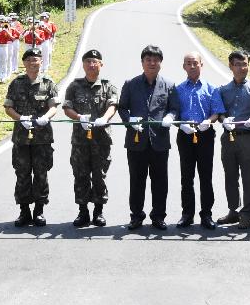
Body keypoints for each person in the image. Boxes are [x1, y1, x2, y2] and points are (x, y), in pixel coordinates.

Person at [118, 45, 180, 230]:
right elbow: (122, 107)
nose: (152, 63)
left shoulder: (169, 85)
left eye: (156, 60)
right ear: (142, 62)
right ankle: (136, 216)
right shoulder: (131, 83)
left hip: (159, 141)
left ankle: (158, 216)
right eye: (148, 60)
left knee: (160, 181)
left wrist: (170, 117)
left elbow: (174, 108)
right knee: (137, 181)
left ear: (160, 62)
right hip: (136, 141)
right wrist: (129, 121)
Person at [62, 49, 119, 227]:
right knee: (81, 175)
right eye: (88, 62)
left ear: (101, 64)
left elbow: (113, 105)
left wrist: (105, 118)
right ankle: (83, 211)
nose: (91, 65)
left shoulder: (108, 85)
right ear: (83, 65)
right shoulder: (74, 86)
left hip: (101, 139)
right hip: (80, 140)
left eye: (95, 61)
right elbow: (67, 107)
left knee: (99, 176)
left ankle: (98, 212)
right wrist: (79, 118)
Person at [4, 48, 60, 227]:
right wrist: (20, 118)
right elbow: (8, 107)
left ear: (41, 62)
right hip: (21, 137)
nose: (32, 63)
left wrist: (46, 117)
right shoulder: (16, 83)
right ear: (24, 63)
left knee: (41, 174)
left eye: (35, 60)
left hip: (42, 137)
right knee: (22, 174)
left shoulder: (48, 82)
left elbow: (53, 106)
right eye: (29, 60)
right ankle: (24, 211)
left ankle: (39, 211)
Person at [174, 52, 225, 229]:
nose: (192, 66)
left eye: (195, 63)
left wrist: (208, 121)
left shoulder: (212, 89)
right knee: (186, 176)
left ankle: (206, 214)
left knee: (205, 176)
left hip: (205, 135)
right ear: (184, 67)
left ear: (201, 65)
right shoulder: (178, 89)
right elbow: (174, 113)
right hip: (185, 134)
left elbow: (217, 111)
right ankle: (187, 214)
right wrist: (180, 125)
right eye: (188, 63)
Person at [217, 50, 250, 229]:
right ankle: (233, 211)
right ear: (230, 66)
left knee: (248, 176)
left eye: (244, 64)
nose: (241, 68)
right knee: (230, 175)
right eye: (237, 64)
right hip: (228, 137)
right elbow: (220, 114)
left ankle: (247, 213)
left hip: (247, 137)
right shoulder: (223, 89)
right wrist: (223, 120)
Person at [0, 16, 13, 83]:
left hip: (5, 46)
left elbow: (12, 37)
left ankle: (4, 77)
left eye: (3, 22)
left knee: (4, 61)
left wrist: (6, 30)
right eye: (1, 22)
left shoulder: (8, 28)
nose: (2, 23)